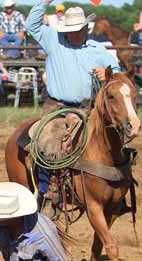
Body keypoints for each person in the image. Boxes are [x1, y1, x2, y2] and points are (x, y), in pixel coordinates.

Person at [25, 0, 121, 200]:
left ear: (87, 27)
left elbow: (118, 74)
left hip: (90, 108)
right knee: (50, 141)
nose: (76, 34)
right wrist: (45, 3)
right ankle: (48, 189)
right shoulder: (53, 40)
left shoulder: (97, 49)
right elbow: (31, 25)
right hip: (58, 106)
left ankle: (118, 188)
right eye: (72, 30)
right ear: (65, 29)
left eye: (80, 29)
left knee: (116, 139)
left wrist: (108, 74)